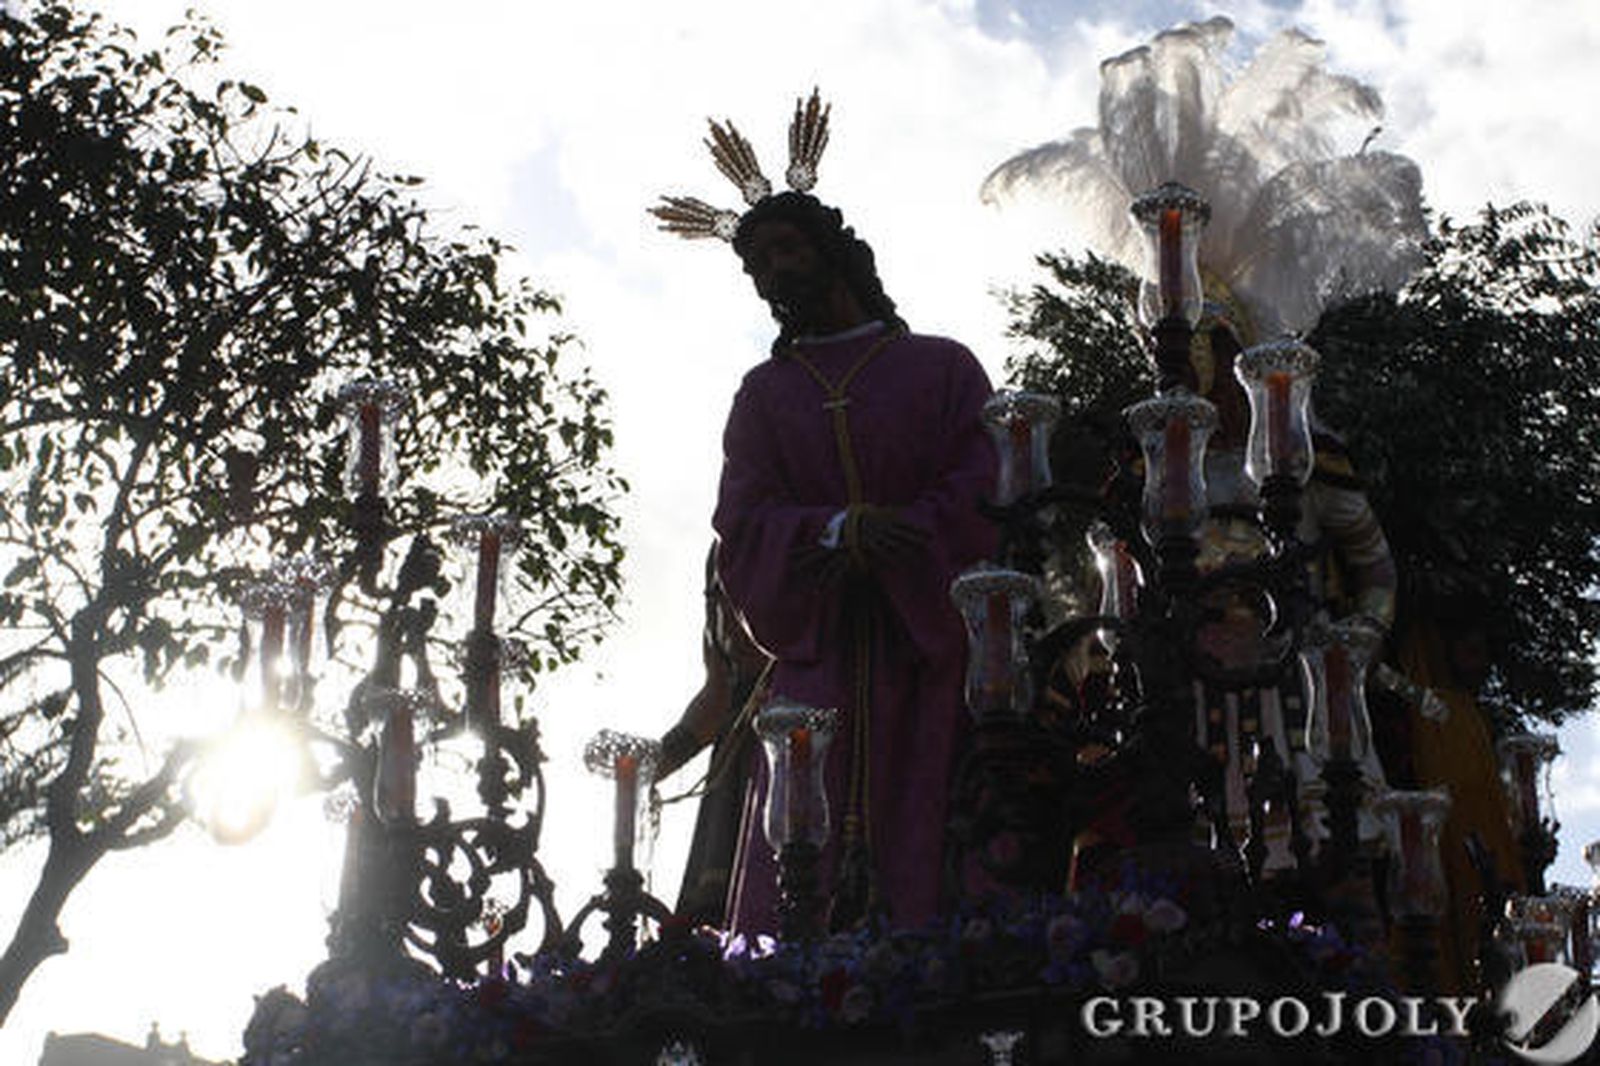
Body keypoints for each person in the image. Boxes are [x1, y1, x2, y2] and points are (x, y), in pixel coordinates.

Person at [712, 190, 997, 934]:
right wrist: (839, 529)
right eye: (757, 266)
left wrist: (910, 533)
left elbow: (985, 488)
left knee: (938, 836)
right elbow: (740, 526)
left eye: (787, 251)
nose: (773, 274)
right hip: (819, 659)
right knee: (800, 853)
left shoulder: (942, 368)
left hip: (928, 651)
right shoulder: (763, 396)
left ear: (834, 252)